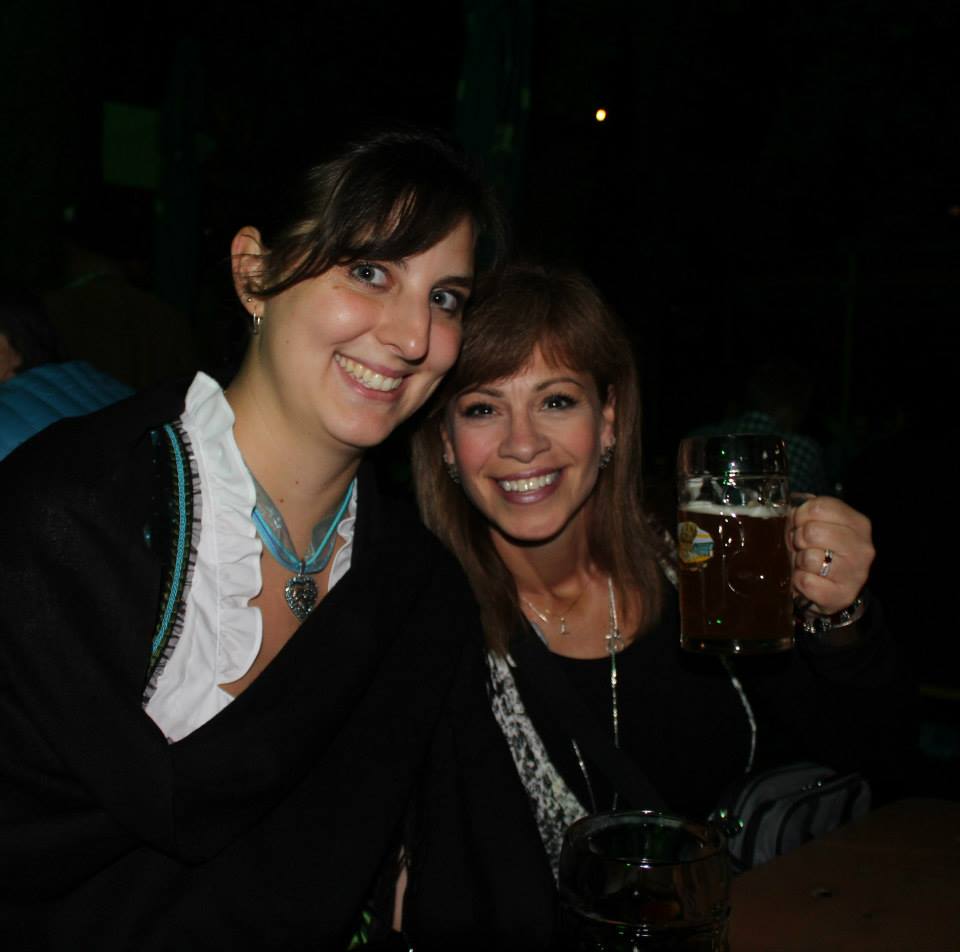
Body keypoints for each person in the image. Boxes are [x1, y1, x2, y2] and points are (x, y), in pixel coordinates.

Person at [0, 130, 555, 950]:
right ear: (253, 273)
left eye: (445, 298)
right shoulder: (68, 520)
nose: (413, 337)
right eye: (370, 272)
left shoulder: (418, 590)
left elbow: (476, 870)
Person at [413, 262, 910, 874]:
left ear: (608, 420)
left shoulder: (700, 568)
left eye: (557, 401)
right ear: (445, 441)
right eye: (483, 409)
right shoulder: (428, 633)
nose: (523, 443)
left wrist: (841, 616)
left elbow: (875, 753)